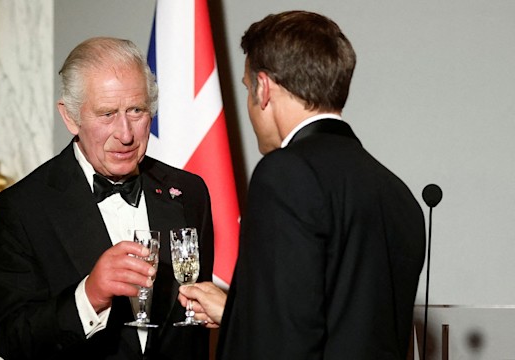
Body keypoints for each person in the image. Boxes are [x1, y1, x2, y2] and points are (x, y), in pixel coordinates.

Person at [181, 10, 426, 359]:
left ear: (264, 89)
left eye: (248, 88)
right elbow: (344, 322)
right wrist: (238, 313)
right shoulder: (397, 193)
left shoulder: (285, 173)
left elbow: (282, 342)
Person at [0, 37, 214, 360]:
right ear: (70, 118)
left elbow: (193, 332)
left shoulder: (189, 193)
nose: (125, 134)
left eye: (136, 110)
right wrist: (89, 296)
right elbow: (12, 339)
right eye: (107, 114)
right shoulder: (21, 209)